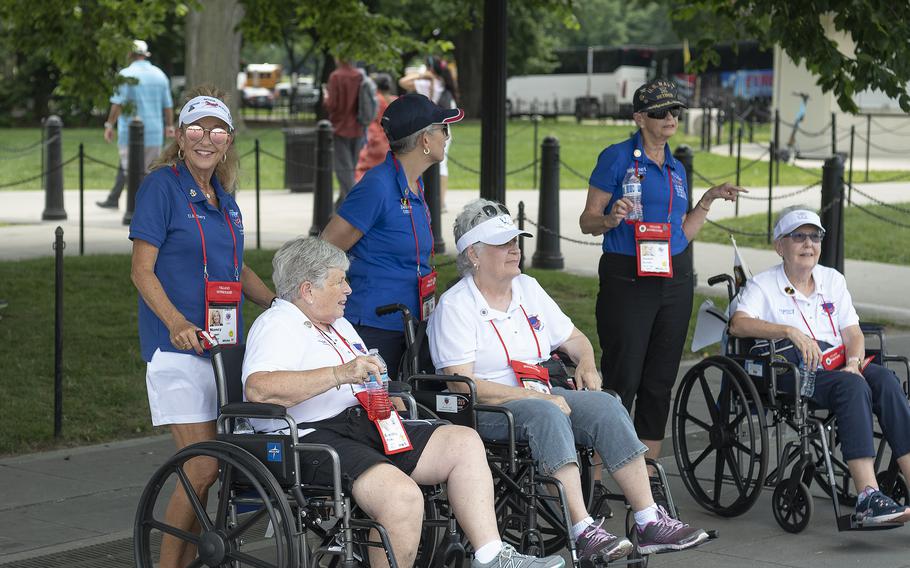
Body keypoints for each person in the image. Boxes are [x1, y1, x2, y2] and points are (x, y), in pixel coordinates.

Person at [242, 236, 565, 568]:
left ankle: (492, 556)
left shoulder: (337, 324)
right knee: (402, 497)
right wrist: (339, 374)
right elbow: (259, 388)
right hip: (310, 436)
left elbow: (364, 375)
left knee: (463, 442)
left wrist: (383, 393)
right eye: (340, 281)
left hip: (361, 424)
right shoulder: (278, 324)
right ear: (308, 290)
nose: (349, 290)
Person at [428, 198, 710, 560]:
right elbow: (461, 385)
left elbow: (574, 339)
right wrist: (539, 399)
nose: (515, 249)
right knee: (548, 413)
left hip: (543, 392)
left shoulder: (527, 288)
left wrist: (588, 362)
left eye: (515, 241)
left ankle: (648, 518)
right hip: (489, 409)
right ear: (474, 254)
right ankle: (582, 528)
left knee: (606, 405)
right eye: (503, 244)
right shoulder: (455, 306)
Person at [129, 86, 276, 568]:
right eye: (196, 128)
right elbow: (141, 270)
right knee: (202, 465)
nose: (206, 138)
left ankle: (192, 561)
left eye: (217, 130)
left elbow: (236, 270)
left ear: (229, 139)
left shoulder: (224, 198)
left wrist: (280, 304)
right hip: (178, 349)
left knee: (211, 472)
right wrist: (174, 322)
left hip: (221, 348)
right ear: (179, 135)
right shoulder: (161, 187)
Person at [578, 78, 744, 497]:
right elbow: (587, 220)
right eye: (660, 112)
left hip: (672, 276)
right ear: (639, 118)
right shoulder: (617, 157)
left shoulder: (676, 166)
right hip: (627, 275)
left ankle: (645, 475)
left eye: (675, 112)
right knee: (624, 375)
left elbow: (680, 233)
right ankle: (595, 478)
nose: (670, 118)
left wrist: (705, 201)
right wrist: (611, 219)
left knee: (658, 381)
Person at [729, 207, 910, 525]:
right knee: (852, 387)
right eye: (798, 236)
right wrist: (789, 331)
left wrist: (853, 363)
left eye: (814, 236)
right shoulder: (764, 285)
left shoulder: (832, 280)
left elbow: (852, 332)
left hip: (840, 364)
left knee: (885, 380)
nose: (808, 244)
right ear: (779, 245)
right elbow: (739, 325)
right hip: (794, 372)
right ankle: (868, 496)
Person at [322, 92, 463, 378]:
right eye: (443, 129)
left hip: (411, 324)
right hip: (376, 329)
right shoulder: (377, 186)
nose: (447, 137)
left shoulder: (415, 184)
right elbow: (324, 250)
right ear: (425, 139)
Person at [98, 40, 174, 209]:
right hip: (154, 132)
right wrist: (169, 126)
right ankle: (120, 200)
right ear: (145, 55)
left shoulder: (125, 75)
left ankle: (138, 209)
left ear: (130, 55)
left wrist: (109, 125)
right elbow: (167, 105)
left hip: (131, 133)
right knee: (149, 172)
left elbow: (117, 103)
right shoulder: (159, 74)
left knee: (132, 172)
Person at [399, 57, 459, 211]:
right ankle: (440, 202)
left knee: (421, 162)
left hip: (429, 129)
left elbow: (403, 82)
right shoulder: (445, 85)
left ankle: (424, 198)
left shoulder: (426, 84)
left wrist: (421, 75)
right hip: (445, 129)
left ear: (430, 69)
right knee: (442, 165)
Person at [323, 56, 366, 207]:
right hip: (358, 127)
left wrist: (325, 97)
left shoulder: (336, 76)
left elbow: (332, 104)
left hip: (340, 128)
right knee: (350, 169)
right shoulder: (359, 76)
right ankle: (340, 207)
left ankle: (356, 205)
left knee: (344, 172)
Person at [354, 73, 397, 182]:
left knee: (365, 171)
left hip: (376, 139)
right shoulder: (395, 100)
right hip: (391, 141)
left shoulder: (376, 100)